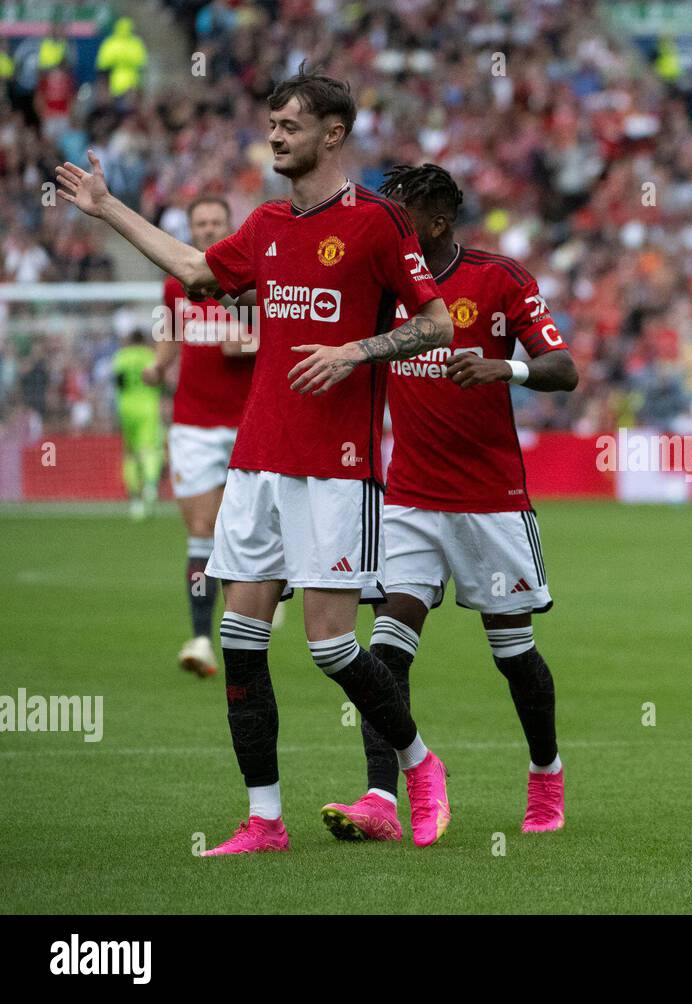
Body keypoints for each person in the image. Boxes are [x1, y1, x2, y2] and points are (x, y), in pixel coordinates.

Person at [56, 65, 457, 855]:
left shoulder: (378, 223)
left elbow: (438, 325)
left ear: (332, 135)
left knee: (331, 647)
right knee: (240, 638)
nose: (275, 135)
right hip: (257, 462)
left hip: (335, 467)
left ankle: (419, 761)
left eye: (290, 125)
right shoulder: (268, 224)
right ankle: (264, 819)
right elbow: (200, 272)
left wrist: (355, 349)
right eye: (271, 124)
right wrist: (109, 211)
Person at [321, 164, 578, 842]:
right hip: (407, 501)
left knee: (514, 654)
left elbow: (565, 369)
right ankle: (381, 796)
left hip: (490, 504)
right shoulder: (381, 286)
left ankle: (546, 775)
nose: (387, 220)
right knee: (387, 652)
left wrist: (507, 368)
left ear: (436, 220)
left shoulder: (499, 280)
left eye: (400, 211)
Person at [141, 196, 256, 679]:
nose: (208, 229)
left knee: (248, 534)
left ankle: (250, 616)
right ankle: (203, 640)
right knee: (200, 533)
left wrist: (249, 342)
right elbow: (171, 335)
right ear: (190, 229)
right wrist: (157, 365)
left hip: (249, 422)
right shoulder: (177, 284)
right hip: (192, 424)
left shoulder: (253, 281)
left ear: (230, 227)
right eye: (200, 223)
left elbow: (286, 333)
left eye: (216, 222)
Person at [111, 330, 163, 520]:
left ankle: (135, 499)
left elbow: (119, 384)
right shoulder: (151, 356)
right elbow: (158, 381)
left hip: (126, 408)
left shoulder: (121, 357)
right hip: (148, 407)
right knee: (149, 448)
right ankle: (150, 484)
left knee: (130, 453)